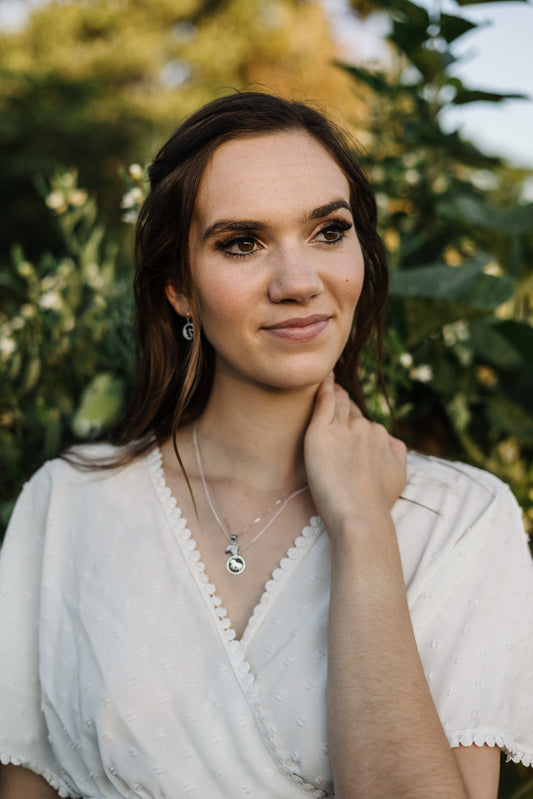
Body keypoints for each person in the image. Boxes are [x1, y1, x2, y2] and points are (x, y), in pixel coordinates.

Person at [0, 91, 532, 799]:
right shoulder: (68, 502)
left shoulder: (462, 519)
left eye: (328, 231)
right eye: (241, 242)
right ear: (177, 288)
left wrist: (365, 526)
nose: (298, 282)